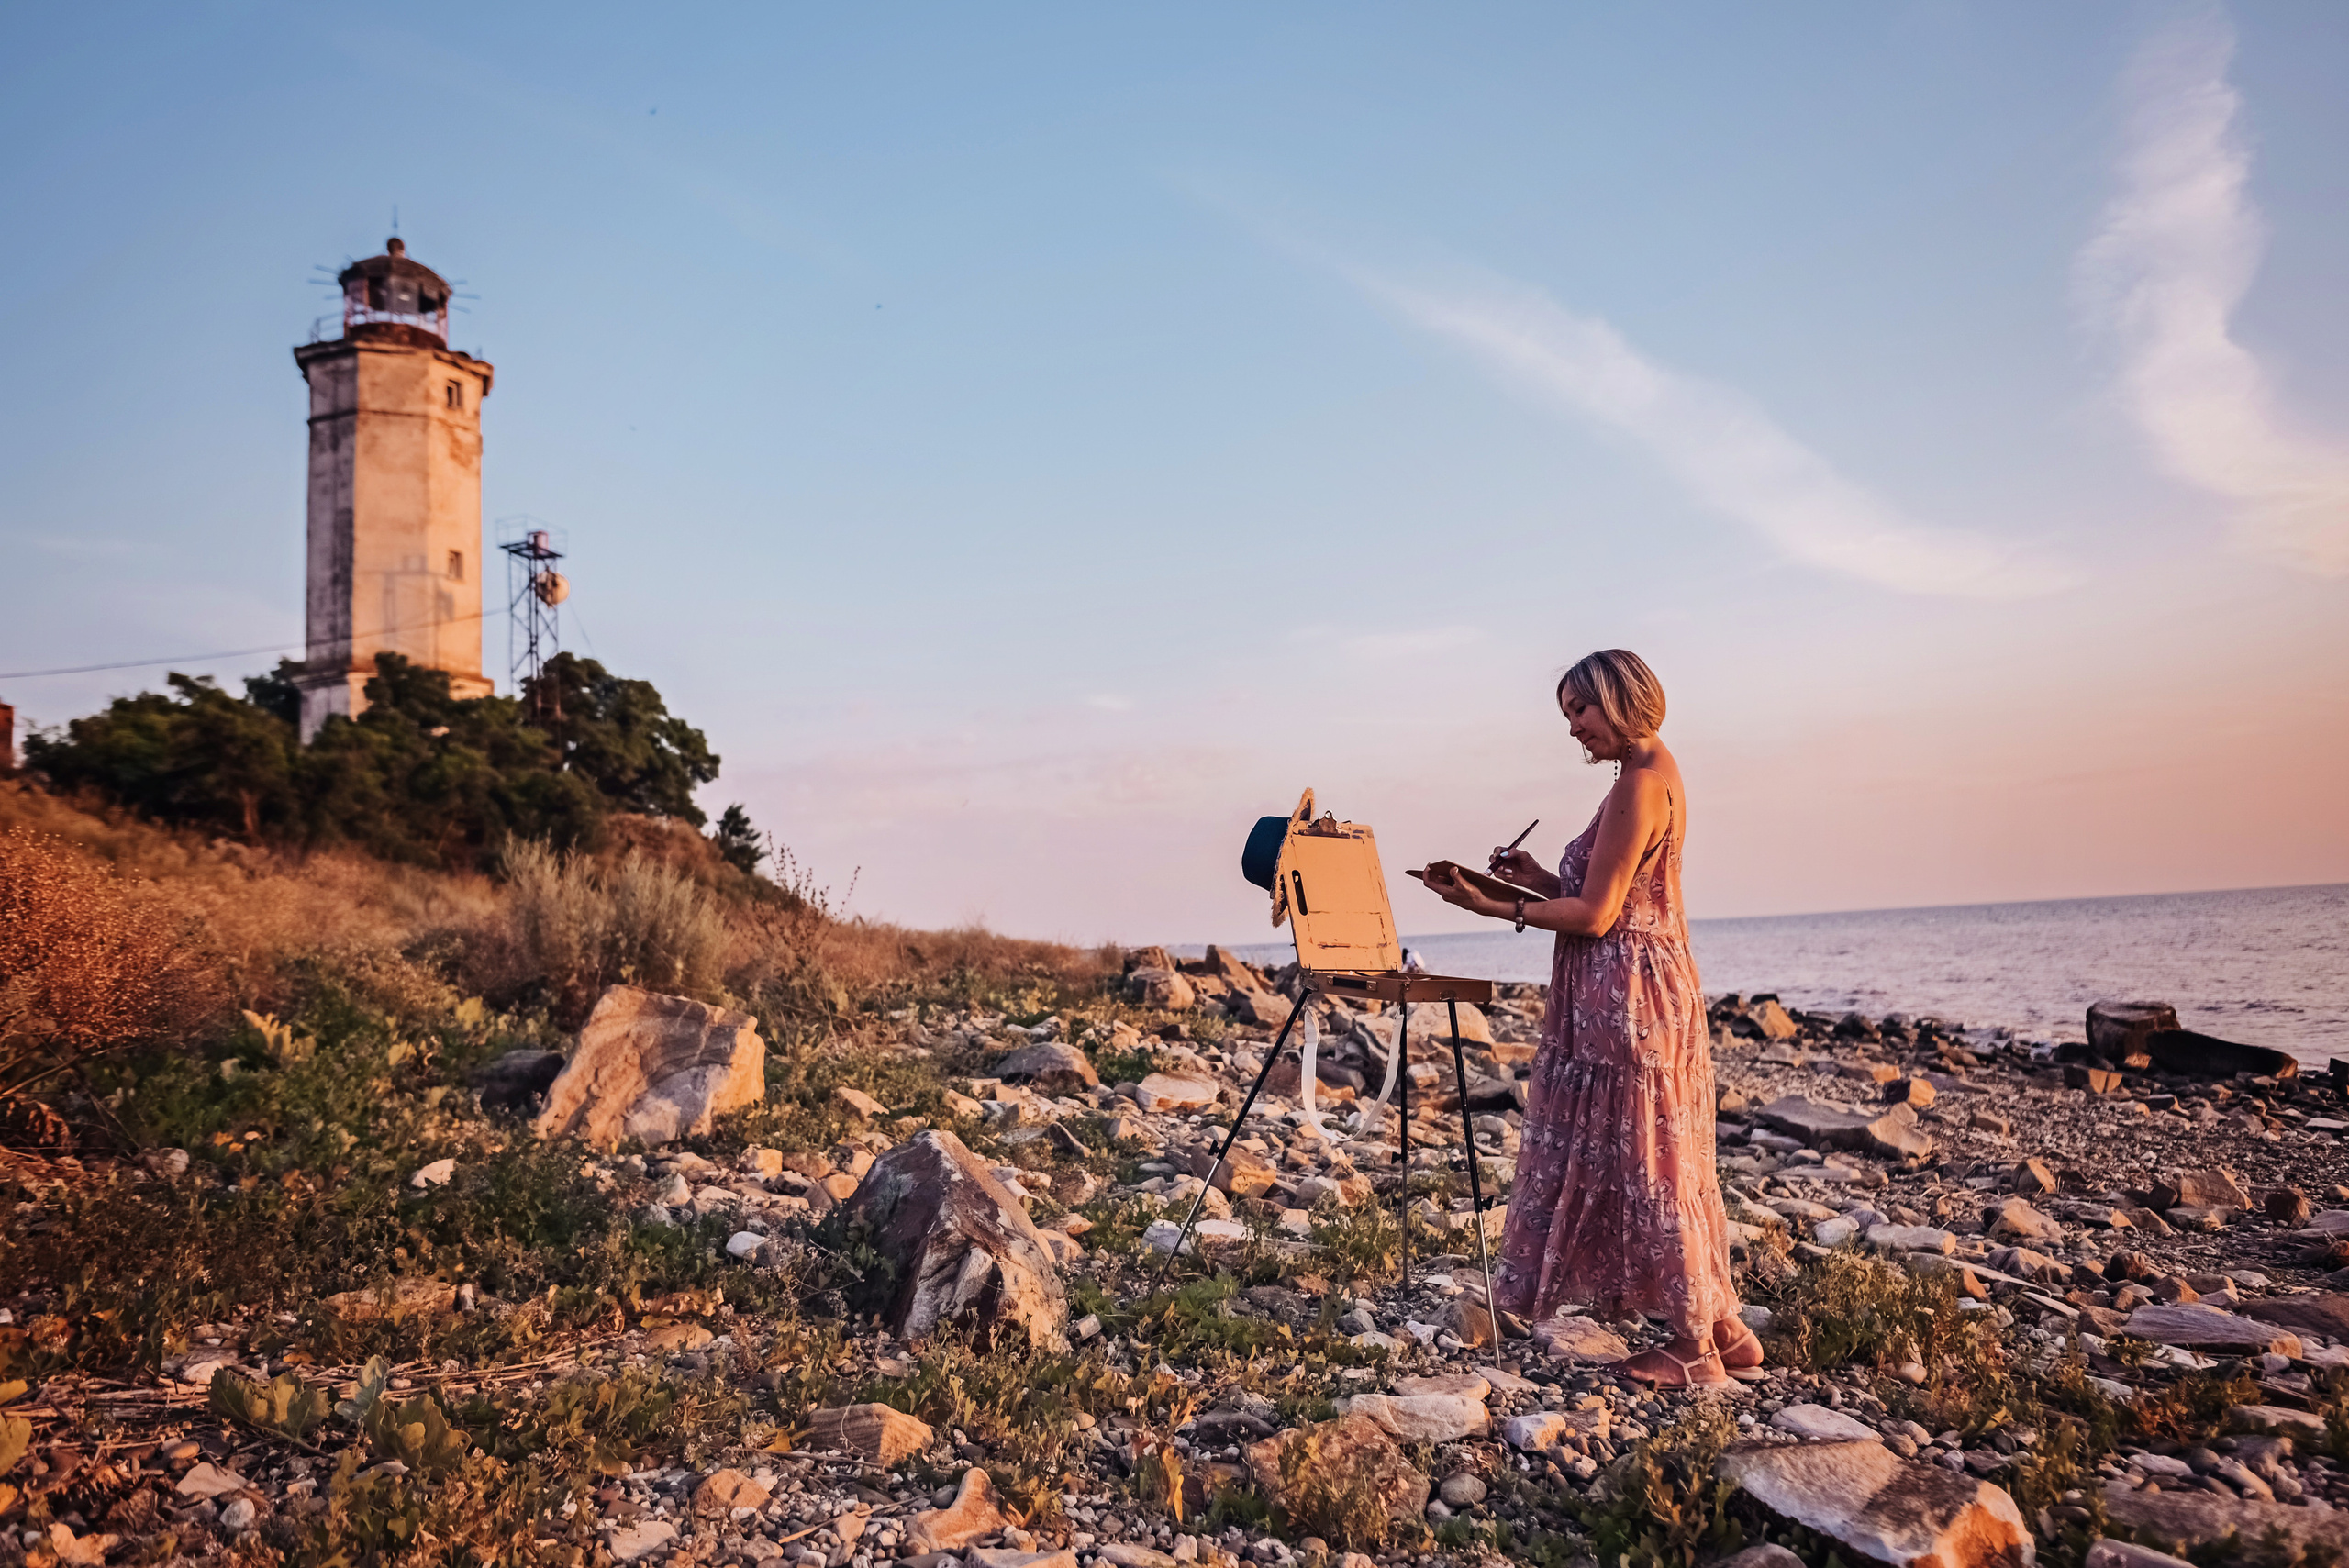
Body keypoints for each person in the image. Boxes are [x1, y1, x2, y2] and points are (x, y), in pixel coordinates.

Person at [1419, 649, 1754, 1386]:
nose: (1574, 730)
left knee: (1650, 1161)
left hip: (1627, 992)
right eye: (1568, 714)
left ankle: (1695, 1347)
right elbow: (1611, 890)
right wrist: (1538, 879)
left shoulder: (1640, 783)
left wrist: (1493, 906)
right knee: (1670, 1152)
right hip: (1638, 983)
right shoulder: (1651, 771)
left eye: (1581, 711)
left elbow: (1600, 915)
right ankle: (1722, 1325)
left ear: (1620, 697)